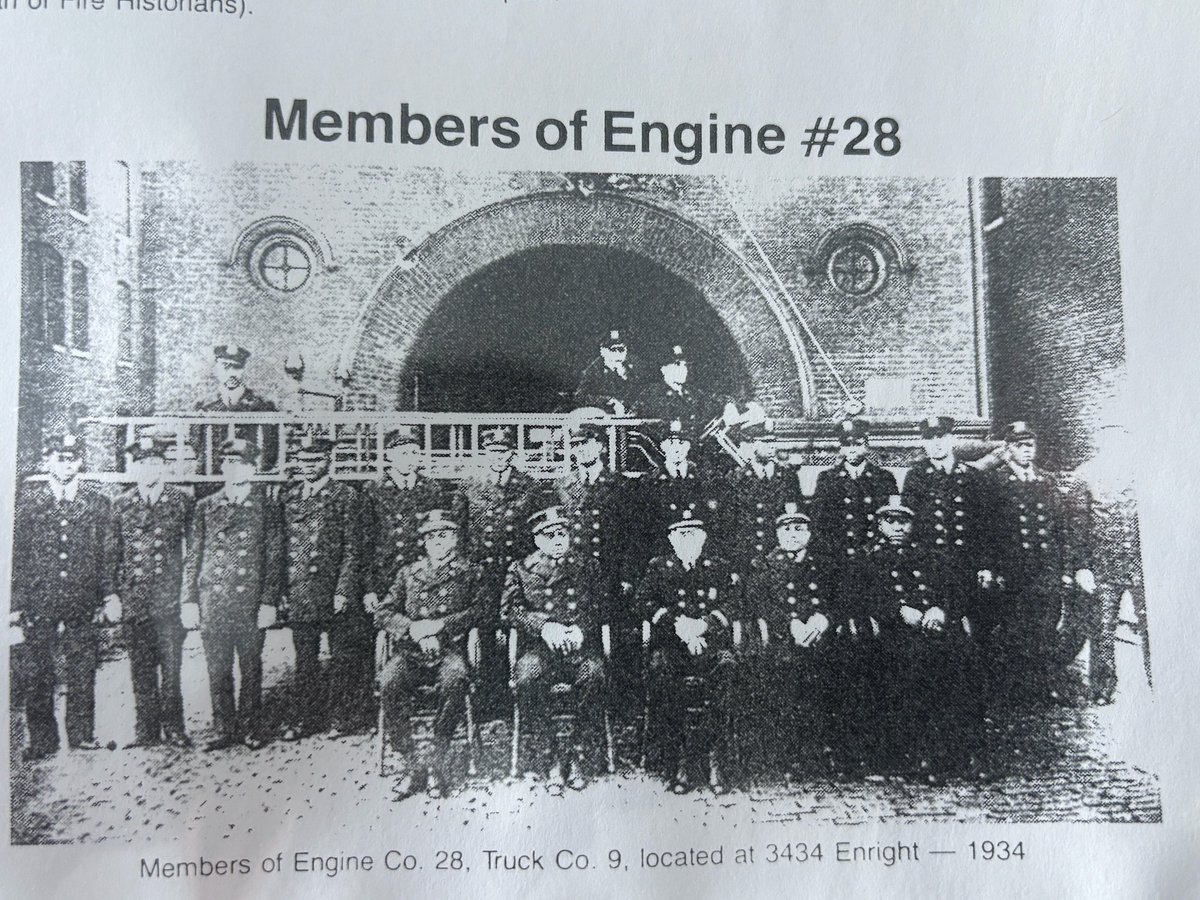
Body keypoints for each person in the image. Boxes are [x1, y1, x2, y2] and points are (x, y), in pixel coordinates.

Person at [11, 434, 114, 760]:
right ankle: (42, 739)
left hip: (82, 598)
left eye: (72, 458)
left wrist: (107, 593)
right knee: (38, 670)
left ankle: (82, 734)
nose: (66, 463)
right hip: (39, 600)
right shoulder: (28, 505)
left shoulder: (97, 503)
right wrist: (14, 604)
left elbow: (107, 553)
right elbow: (16, 556)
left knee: (82, 668)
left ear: (80, 461)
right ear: (47, 462)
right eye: (59, 457)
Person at [373, 509, 485, 799]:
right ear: (423, 541)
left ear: (455, 538)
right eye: (431, 536)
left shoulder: (469, 572)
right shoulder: (408, 574)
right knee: (388, 682)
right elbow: (383, 613)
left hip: (449, 651)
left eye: (444, 535)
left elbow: (478, 611)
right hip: (411, 653)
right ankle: (412, 764)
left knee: (455, 681)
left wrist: (440, 627)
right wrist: (413, 629)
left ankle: (438, 760)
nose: (437, 541)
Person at [979, 421, 1095, 704]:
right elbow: (986, 530)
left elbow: (1060, 528)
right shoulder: (996, 483)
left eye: (1030, 445)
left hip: (1045, 571)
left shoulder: (1046, 482)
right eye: (1019, 446)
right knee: (1016, 629)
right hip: (1013, 571)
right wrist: (989, 567)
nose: (1026, 451)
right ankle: (1015, 688)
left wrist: (1066, 570)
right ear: (1008, 449)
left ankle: (1042, 686)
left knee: (1046, 628)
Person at [182, 438, 284, 751]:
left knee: (251, 668)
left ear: (253, 469)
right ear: (223, 467)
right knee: (218, 669)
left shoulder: (267, 507)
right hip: (214, 600)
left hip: (250, 601)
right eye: (229, 463)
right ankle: (224, 728)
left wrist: (269, 600)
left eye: (242, 463)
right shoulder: (206, 506)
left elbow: (274, 557)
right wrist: (188, 600)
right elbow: (194, 557)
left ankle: (251, 727)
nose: (235, 469)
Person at [861, 495, 970, 780]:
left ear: (912, 524)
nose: (897, 527)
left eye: (903, 521)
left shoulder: (931, 555)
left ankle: (957, 752)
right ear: (880, 525)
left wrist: (941, 609)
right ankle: (915, 753)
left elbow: (955, 590)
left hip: (936, 627)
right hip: (893, 631)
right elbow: (862, 597)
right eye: (890, 521)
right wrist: (897, 610)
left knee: (963, 658)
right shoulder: (868, 559)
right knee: (911, 663)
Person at [635, 508, 739, 795]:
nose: (688, 539)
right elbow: (642, 602)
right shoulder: (659, 567)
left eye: (694, 533)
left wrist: (703, 625)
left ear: (704, 537)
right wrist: (677, 624)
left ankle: (715, 760)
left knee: (727, 667)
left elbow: (734, 603)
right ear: (671, 539)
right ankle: (679, 761)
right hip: (672, 645)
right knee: (661, 670)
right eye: (681, 534)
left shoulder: (718, 566)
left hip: (710, 644)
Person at [503, 505, 607, 792]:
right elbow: (510, 610)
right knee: (526, 677)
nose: (558, 539)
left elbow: (602, 606)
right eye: (550, 535)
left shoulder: (588, 566)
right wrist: (545, 627)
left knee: (595, 676)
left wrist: (580, 629)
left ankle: (573, 753)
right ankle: (547, 753)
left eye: (563, 533)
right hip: (541, 648)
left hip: (580, 647)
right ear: (538, 540)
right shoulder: (521, 568)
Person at [106, 433, 195, 748]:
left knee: (171, 670)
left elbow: (192, 552)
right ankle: (146, 731)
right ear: (135, 468)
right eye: (143, 463)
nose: (150, 469)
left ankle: (175, 728)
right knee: (140, 670)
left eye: (156, 462)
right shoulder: (121, 504)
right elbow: (112, 554)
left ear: (165, 466)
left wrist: (188, 597)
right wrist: (112, 595)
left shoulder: (181, 500)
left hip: (168, 601)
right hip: (136, 601)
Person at [279, 436, 367, 740]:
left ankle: (340, 717)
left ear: (328, 461)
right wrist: (281, 591)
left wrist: (343, 589)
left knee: (341, 659)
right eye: (303, 461)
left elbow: (353, 548)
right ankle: (306, 718)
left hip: (333, 591)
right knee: (305, 660)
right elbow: (280, 548)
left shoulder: (345, 496)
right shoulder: (289, 497)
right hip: (300, 590)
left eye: (315, 460)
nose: (308, 466)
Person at [743, 502, 833, 780]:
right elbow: (758, 603)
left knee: (839, 667)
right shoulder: (765, 565)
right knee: (784, 677)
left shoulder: (824, 563)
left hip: (821, 635)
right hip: (783, 637)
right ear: (778, 534)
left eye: (800, 529)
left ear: (809, 533)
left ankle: (826, 750)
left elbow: (840, 597)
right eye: (787, 529)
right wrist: (789, 623)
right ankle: (787, 754)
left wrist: (824, 618)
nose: (793, 534)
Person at [811, 418, 899, 599]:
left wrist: (875, 549)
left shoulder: (883, 478)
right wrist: (834, 555)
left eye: (857, 443)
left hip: (875, 559)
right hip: (839, 560)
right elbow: (819, 524)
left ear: (866, 445)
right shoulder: (827, 479)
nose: (852, 449)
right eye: (846, 443)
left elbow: (892, 522)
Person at [193, 344, 279, 483]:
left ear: (243, 369)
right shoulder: (205, 407)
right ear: (216, 369)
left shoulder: (261, 407)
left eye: (237, 367)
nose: (232, 373)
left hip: (248, 479)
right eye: (226, 366)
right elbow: (197, 444)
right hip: (213, 478)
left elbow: (269, 450)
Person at [727, 418, 803, 575]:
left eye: (773, 443)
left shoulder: (788, 476)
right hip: (745, 556)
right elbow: (729, 522)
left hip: (778, 555)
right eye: (765, 443)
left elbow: (797, 515)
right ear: (753, 444)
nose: (771, 448)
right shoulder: (736, 478)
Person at [573, 328, 648, 415]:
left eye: (621, 350)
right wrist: (608, 401)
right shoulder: (593, 371)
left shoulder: (632, 370)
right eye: (613, 350)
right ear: (603, 351)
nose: (618, 354)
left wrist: (634, 408)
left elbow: (642, 395)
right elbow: (580, 396)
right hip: (602, 418)